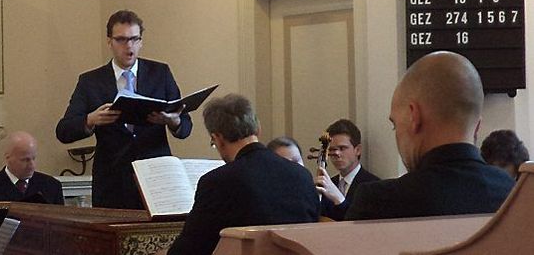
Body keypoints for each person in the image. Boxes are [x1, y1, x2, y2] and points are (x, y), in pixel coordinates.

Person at [346, 51, 516, 220]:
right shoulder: (514, 195)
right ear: (477, 127)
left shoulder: (377, 202)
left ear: (414, 117)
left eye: (394, 125)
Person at [56, 10, 193, 209]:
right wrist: (90, 120)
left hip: (156, 178)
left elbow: (186, 127)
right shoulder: (91, 81)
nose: (128, 46)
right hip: (112, 181)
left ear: (141, 41)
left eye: (134, 39)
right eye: (121, 40)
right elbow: (63, 131)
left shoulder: (160, 73)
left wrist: (173, 121)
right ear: (109, 42)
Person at [166, 94, 318, 255]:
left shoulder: (217, 182)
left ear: (217, 138)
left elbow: (191, 248)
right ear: (258, 128)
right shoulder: (302, 175)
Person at [0, 131, 64, 204]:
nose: (32, 165)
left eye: (33, 158)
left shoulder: (52, 186)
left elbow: (61, 226)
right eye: (25, 160)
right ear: (8, 158)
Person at [315, 119, 379, 220]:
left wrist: (338, 198)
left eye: (342, 148)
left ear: (357, 150)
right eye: (331, 149)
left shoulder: (373, 185)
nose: (336, 154)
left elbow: (362, 223)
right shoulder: (327, 184)